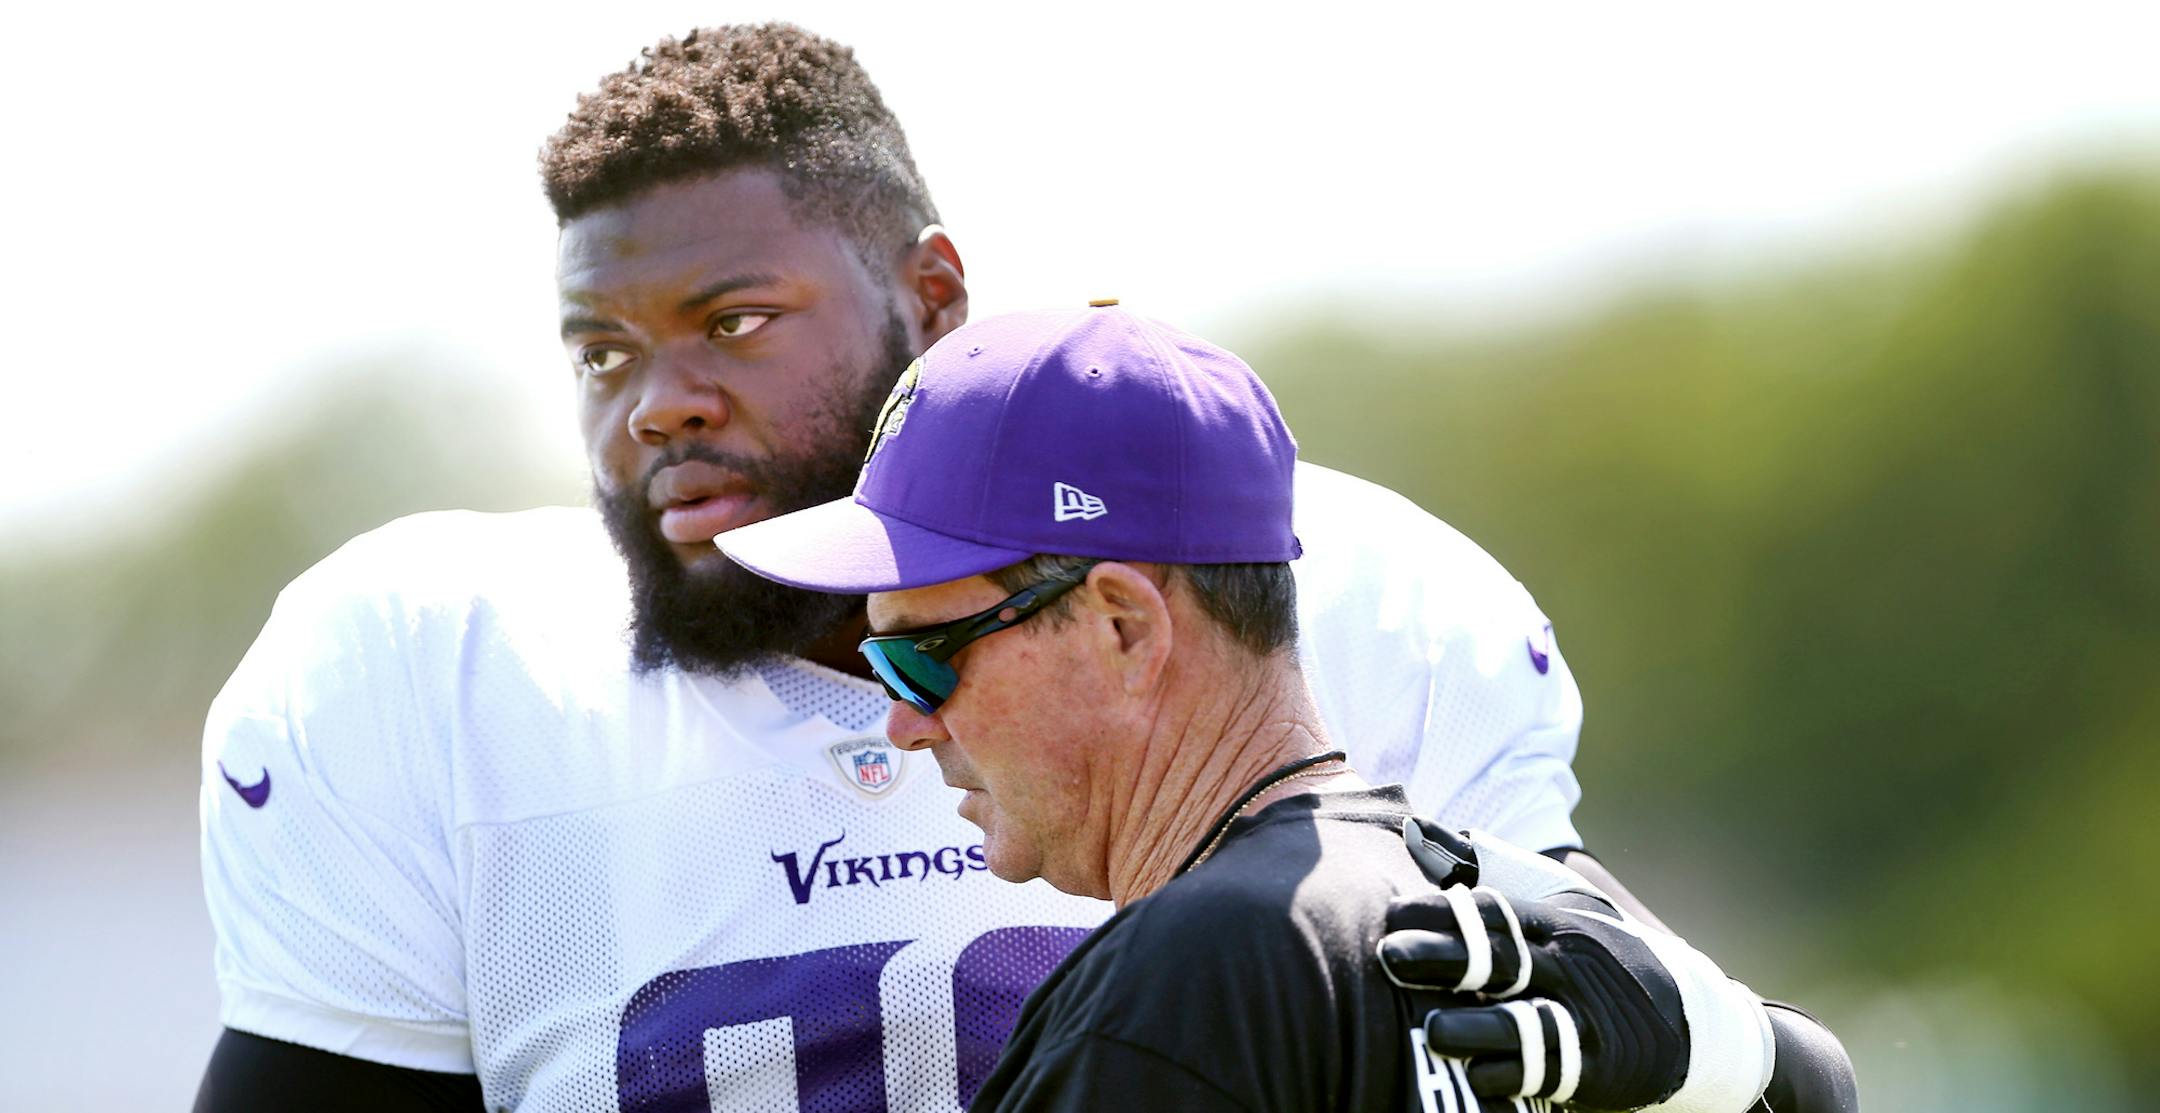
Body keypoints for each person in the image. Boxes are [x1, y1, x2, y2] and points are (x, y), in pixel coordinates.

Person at [193, 22, 1855, 1113]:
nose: (662, 401)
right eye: (597, 350)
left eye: (735, 321)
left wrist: (1734, 1048)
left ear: (928, 291)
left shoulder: (1334, 606)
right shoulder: (426, 668)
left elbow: (1679, 1049)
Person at [714, 304, 1781, 1112]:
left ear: (1123, 626)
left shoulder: (1179, 988)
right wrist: (1770, 1060)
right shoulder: (1455, 910)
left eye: (917, 660)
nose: (902, 722)